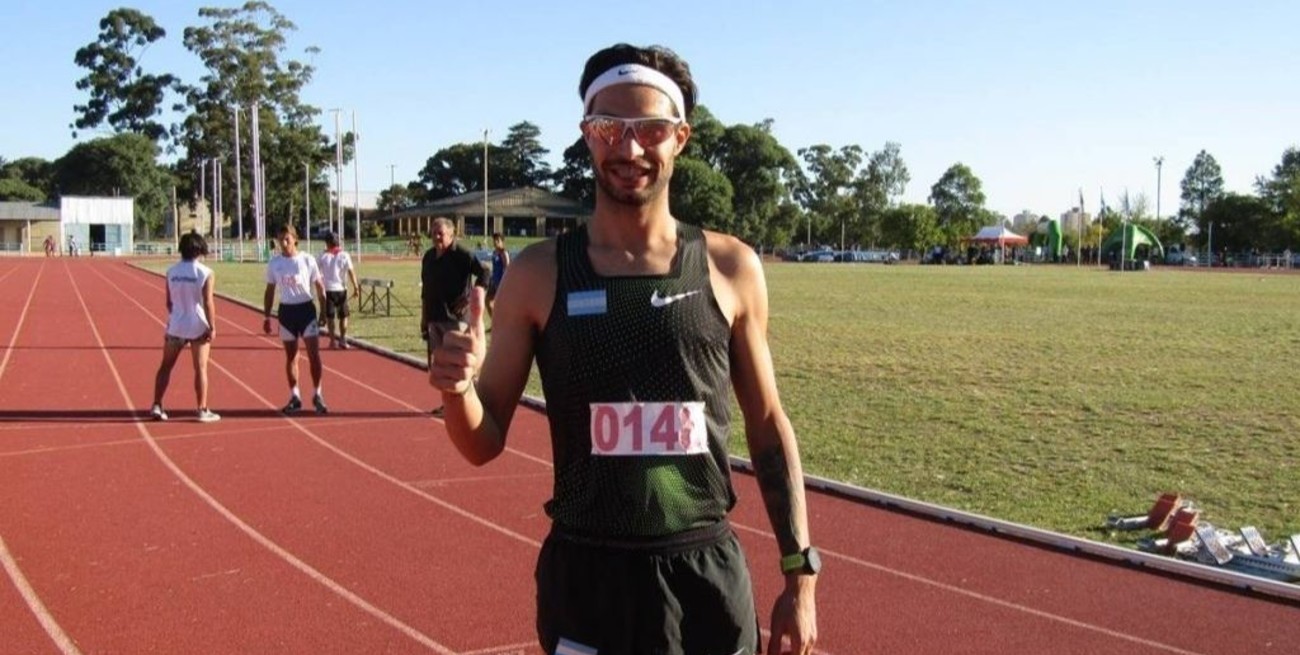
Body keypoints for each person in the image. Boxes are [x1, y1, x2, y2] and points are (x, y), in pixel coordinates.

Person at [429, 43, 819, 655]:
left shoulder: (729, 267)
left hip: (704, 579)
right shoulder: (540, 274)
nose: (629, 148)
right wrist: (456, 393)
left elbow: (768, 426)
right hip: (588, 579)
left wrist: (800, 577)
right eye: (610, 126)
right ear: (588, 135)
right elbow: (482, 441)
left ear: (681, 137)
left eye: (651, 129)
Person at [420, 217, 487, 417]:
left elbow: (485, 272)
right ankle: (448, 404)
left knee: (460, 365)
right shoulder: (429, 257)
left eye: (440, 233)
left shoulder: (462, 255)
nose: (436, 237)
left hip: (456, 319)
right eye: (433, 233)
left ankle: (473, 405)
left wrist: (472, 297)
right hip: (434, 317)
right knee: (440, 367)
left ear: (451, 234)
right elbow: (426, 290)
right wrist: (424, 318)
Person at [150, 232, 220, 423]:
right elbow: (208, 302)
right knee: (201, 368)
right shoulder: (206, 273)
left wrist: (176, 316)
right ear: (200, 250)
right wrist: (212, 326)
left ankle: (157, 404)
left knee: (165, 366)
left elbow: (169, 302)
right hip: (198, 325)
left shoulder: (171, 272)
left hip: (176, 324)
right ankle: (202, 409)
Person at [262, 224, 329, 415]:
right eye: (280, 240)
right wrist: (267, 316)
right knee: (291, 357)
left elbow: (319, 285)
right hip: (286, 313)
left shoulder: (307, 260)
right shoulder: (274, 264)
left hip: (306, 310)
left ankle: (317, 394)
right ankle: (295, 396)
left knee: (314, 354)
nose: (283, 244)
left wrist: (323, 311)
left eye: (287, 239)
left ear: (295, 239)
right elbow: (269, 291)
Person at [317, 231, 361, 349]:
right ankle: (342, 339)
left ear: (327, 243)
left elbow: (316, 271)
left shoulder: (322, 255)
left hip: (328, 290)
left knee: (330, 317)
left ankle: (332, 341)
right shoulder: (344, 255)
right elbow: (351, 272)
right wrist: (356, 287)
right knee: (343, 316)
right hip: (341, 290)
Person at [486, 231, 510, 320]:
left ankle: (502, 324)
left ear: (502, 241)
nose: (495, 242)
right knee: (487, 301)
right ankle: (494, 322)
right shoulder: (494, 252)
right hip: (494, 281)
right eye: (494, 240)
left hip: (501, 283)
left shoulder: (503, 253)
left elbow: (507, 268)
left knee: (500, 305)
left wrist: (505, 283)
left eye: (498, 240)